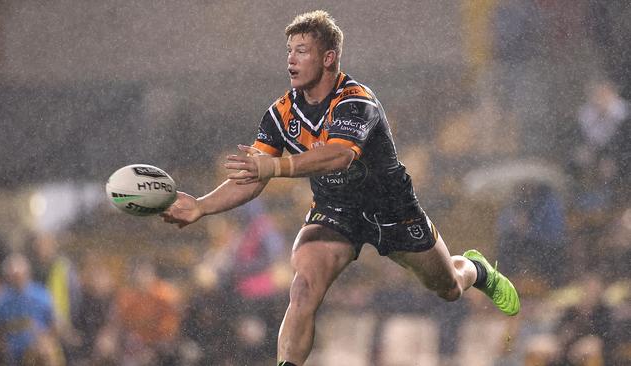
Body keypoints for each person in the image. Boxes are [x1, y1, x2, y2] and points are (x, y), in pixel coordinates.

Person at [161, 10, 520, 366]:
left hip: (393, 210)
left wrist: (276, 165)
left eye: (302, 50)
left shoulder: (357, 100)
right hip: (335, 212)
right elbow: (254, 176)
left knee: (448, 288)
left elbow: (338, 157)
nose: (291, 59)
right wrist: (202, 206)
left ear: (328, 57)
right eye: (289, 50)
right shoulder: (280, 113)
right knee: (302, 288)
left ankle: (477, 270)